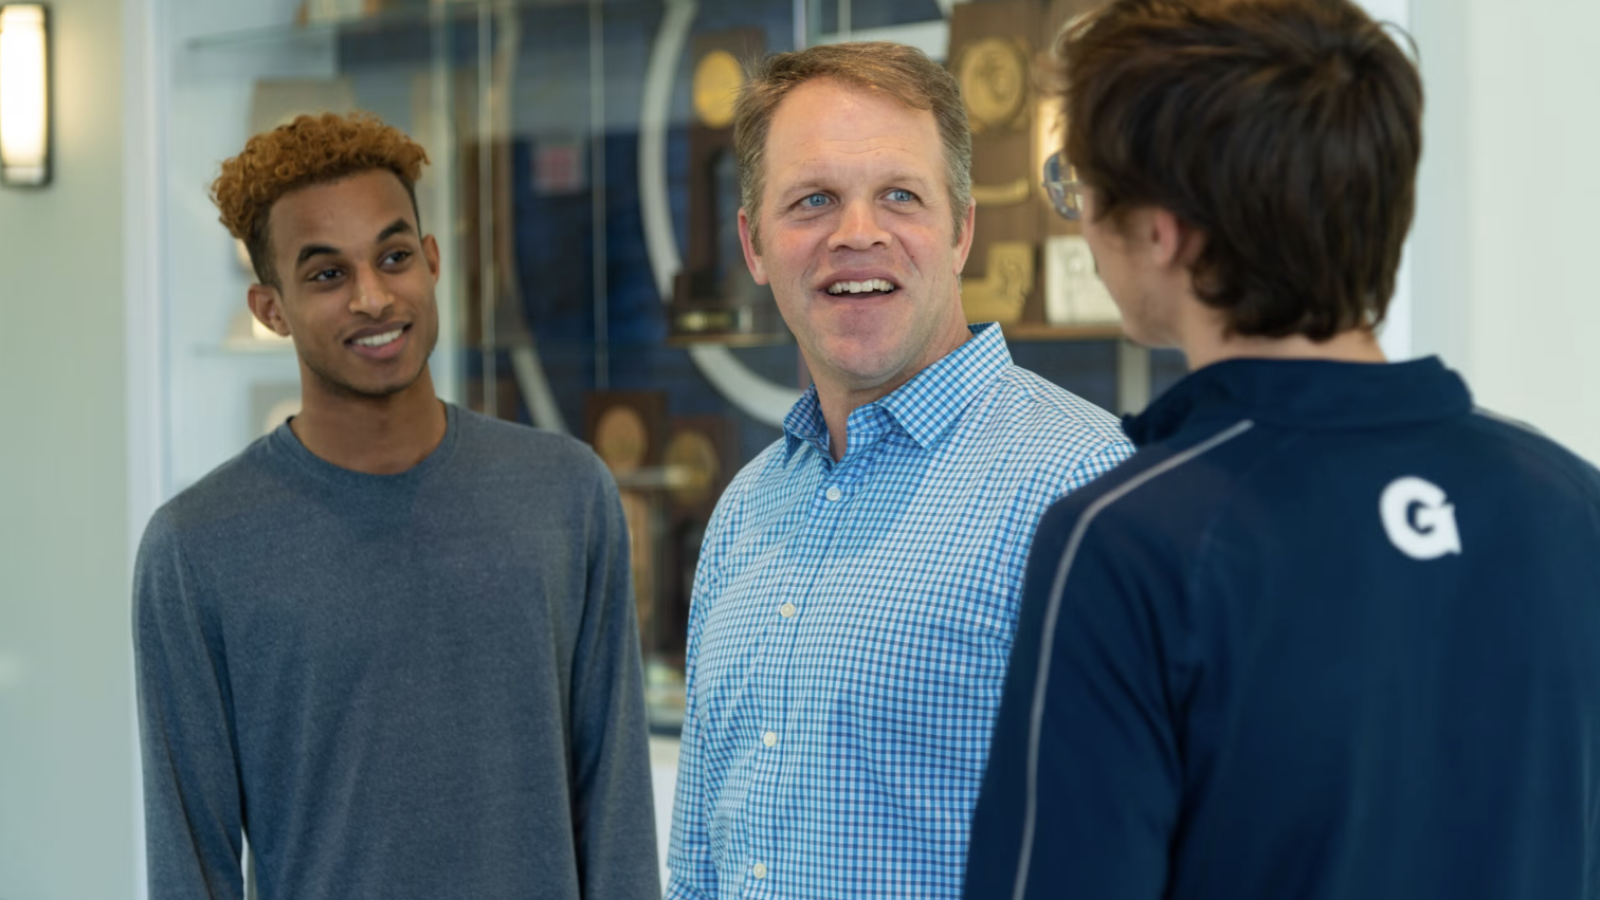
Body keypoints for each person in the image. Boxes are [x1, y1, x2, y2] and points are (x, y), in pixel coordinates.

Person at [964, 2, 1600, 899]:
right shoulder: (1572, 504)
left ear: (1162, 230)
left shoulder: (1126, 542)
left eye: (1080, 184)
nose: (1079, 217)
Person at [133, 112, 659, 900]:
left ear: (433, 260)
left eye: (394, 256)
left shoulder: (565, 493)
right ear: (269, 308)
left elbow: (616, 811)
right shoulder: (196, 548)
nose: (373, 297)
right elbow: (189, 865)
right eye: (326, 275)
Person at [666, 42, 1134, 900]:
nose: (857, 234)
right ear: (755, 243)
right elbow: (701, 860)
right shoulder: (745, 510)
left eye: (899, 196)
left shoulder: (1084, 488)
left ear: (960, 229)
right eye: (813, 200)